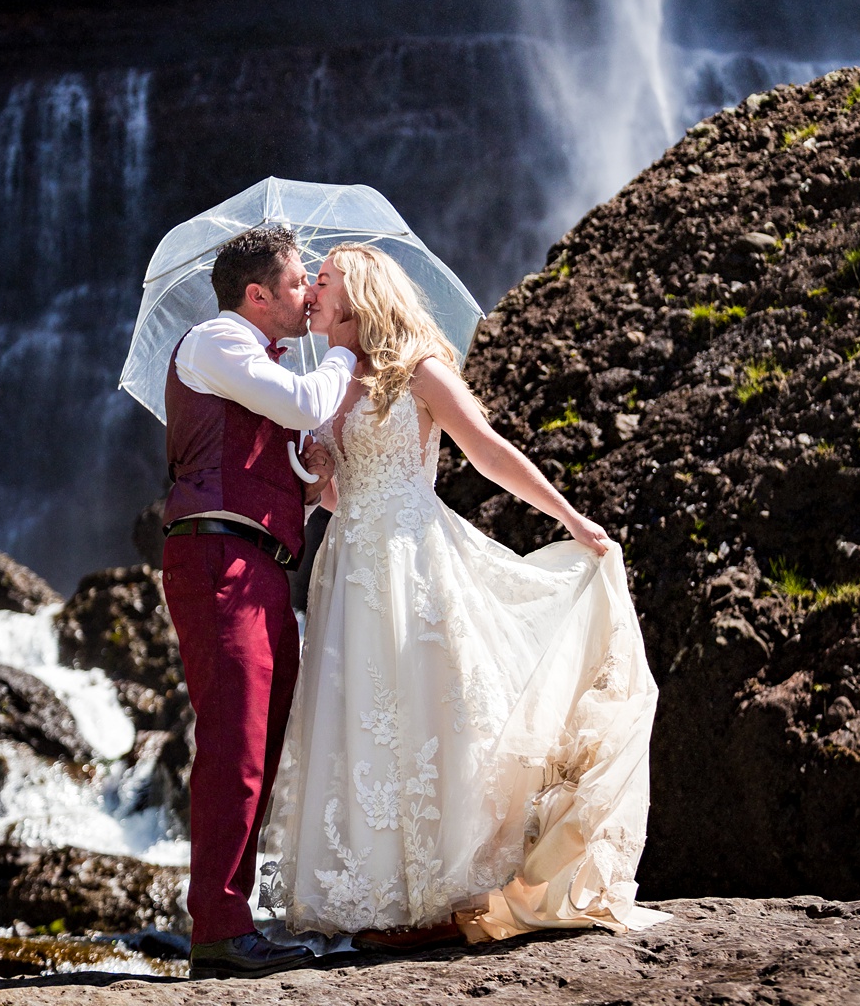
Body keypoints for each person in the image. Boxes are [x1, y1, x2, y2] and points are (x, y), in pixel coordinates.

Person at [261, 244, 666, 948]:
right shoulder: (326, 382)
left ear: (360, 293)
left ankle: (442, 900)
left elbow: (488, 451)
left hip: (412, 561)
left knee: (430, 718)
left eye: (322, 282)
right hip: (350, 565)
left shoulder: (416, 369)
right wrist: (317, 470)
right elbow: (333, 497)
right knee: (363, 724)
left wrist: (571, 519)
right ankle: (389, 901)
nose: (311, 295)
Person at [160, 226, 358, 980]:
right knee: (236, 741)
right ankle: (217, 930)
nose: (309, 293)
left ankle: (230, 921)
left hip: (263, 564)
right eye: (300, 280)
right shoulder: (217, 340)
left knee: (264, 739)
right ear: (257, 294)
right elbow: (306, 401)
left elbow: (278, 479)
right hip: (219, 557)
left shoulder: (256, 365)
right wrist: (347, 349)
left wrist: (308, 478)